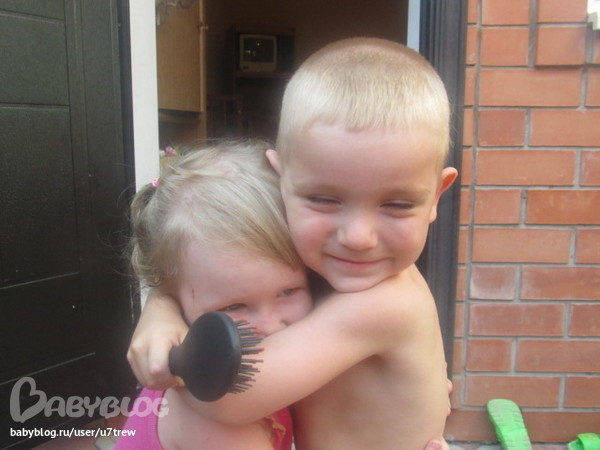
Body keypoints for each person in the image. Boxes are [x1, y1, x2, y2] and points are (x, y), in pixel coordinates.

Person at [128, 37, 458, 449]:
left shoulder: (385, 303)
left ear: (437, 195)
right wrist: (161, 309)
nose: (358, 238)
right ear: (281, 179)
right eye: (324, 199)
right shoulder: (327, 268)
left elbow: (229, 397)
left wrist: (172, 361)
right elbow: (209, 278)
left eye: (397, 204)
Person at [115, 141, 313, 450]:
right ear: (176, 299)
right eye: (234, 306)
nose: (271, 326)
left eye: (288, 291)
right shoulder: (214, 423)